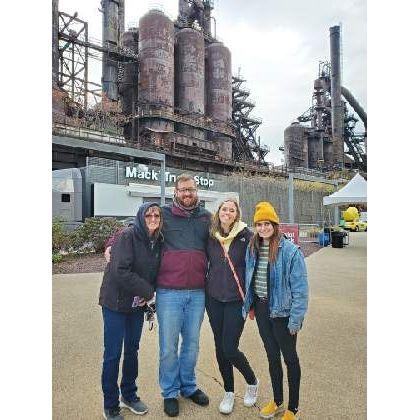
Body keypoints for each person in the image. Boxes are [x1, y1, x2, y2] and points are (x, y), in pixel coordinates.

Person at [243, 202, 309, 420]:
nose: (263, 228)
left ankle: (293, 408)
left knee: (290, 359)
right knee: (272, 357)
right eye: (259, 224)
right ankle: (277, 400)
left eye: (267, 223)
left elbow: (300, 289)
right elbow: (251, 278)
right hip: (262, 310)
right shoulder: (253, 247)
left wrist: (296, 320)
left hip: (283, 313)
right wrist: (250, 305)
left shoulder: (290, 251)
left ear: (275, 224)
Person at [99, 202, 163, 420]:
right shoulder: (128, 236)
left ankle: (129, 395)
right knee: (113, 354)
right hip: (115, 303)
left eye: (156, 215)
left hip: (136, 305)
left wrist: (148, 293)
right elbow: (120, 271)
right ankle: (110, 404)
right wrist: (148, 291)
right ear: (140, 217)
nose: (153, 219)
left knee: (132, 350)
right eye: (148, 215)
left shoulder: (158, 240)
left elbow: (155, 270)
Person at [155, 174, 212, 417]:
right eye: (182, 190)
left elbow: (229, 235)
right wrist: (111, 243)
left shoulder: (207, 218)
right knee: (168, 347)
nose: (187, 194)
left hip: (197, 293)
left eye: (191, 189)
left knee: (191, 344)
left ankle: (188, 386)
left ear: (196, 191)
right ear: (175, 192)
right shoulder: (163, 214)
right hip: (168, 292)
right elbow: (136, 228)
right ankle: (169, 392)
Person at [205, 198, 259, 414]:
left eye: (231, 210)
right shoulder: (210, 235)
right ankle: (228, 391)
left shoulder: (247, 236)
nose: (227, 212)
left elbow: (258, 263)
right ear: (218, 212)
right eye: (224, 209)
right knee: (220, 347)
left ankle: (252, 381)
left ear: (237, 214)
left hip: (236, 300)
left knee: (229, 347)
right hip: (214, 299)